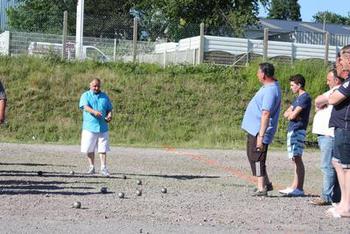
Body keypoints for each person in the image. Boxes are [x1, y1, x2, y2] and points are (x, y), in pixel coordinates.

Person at [241, 62, 282, 196]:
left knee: (257, 157)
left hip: (259, 130)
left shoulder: (270, 90)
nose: (257, 74)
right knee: (252, 155)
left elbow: (266, 113)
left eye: (258, 72)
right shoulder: (269, 87)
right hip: (254, 129)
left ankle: (261, 188)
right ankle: (266, 183)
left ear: (263, 74)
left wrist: (261, 136)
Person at [310, 69, 342, 205]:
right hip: (326, 134)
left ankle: (327, 196)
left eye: (329, 80)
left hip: (328, 134)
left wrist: (322, 102)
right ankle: (334, 196)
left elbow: (318, 101)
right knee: (333, 166)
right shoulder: (335, 91)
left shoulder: (337, 90)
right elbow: (318, 104)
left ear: (336, 80)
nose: (327, 82)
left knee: (327, 166)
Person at [327, 45, 350, 218]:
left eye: (341, 59)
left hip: (346, 128)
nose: (339, 63)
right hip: (341, 128)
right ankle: (343, 202)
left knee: (347, 168)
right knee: (338, 163)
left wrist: (331, 94)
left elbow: (334, 98)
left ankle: (347, 206)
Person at [279, 74, 311, 197]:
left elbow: (291, 115)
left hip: (298, 130)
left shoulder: (304, 98)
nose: (291, 87)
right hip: (293, 130)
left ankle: (299, 188)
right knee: (294, 158)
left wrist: (293, 114)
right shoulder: (297, 99)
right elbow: (286, 113)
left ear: (299, 85)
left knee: (297, 158)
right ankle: (294, 186)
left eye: (293, 85)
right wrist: (292, 113)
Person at [79, 78, 112, 176]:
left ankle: (103, 168)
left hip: (102, 127)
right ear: (90, 85)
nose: (96, 88)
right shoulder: (85, 95)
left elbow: (109, 109)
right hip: (89, 126)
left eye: (98, 86)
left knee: (103, 148)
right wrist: (94, 112)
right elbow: (85, 106)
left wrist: (110, 115)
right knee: (89, 148)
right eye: (94, 86)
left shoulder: (104, 96)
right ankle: (91, 167)